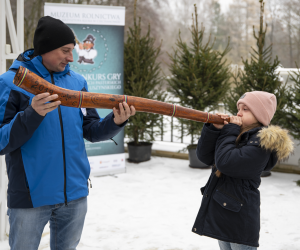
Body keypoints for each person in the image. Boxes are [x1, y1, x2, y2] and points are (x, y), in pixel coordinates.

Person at [0, 16, 135, 250]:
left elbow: (91, 130)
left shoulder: (77, 82)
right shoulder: (11, 82)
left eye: (72, 50)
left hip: (75, 195)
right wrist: (32, 114)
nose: (71, 58)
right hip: (30, 198)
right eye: (65, 50)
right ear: (45, 48)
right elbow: (2, 141)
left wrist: (115, 121)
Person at [192, 91, 294, 249]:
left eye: (245, 109)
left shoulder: (261, 142)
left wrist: (229, 130)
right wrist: (214, 129)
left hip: (240, 219)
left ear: (260, 114)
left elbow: (226, 162)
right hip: (223, 211)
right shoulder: (235, 135)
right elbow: (205, 157)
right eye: (239, 108)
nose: (238, 113)